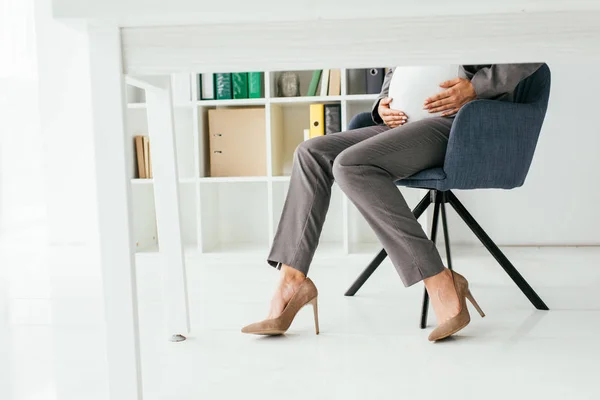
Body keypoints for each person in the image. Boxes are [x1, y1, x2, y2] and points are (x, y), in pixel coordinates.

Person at [242, 64, 543, 341]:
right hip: (397, 126)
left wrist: (475, 87)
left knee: (350, 165)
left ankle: (439, 279)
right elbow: (395, 70)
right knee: (311, 153)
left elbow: (530, 52)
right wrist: (382, 104)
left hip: (457, 126)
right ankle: (292, 281)